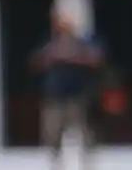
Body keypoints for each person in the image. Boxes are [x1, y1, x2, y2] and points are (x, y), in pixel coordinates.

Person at [31, 10, 105, 169]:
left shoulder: (83, 42)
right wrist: (54, 55)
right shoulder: (49, 43)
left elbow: (96, 59)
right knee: (52, 136)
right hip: (54, 98)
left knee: (86, 136)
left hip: (77, 98)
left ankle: (89, 165)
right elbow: (37, 63)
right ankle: (55, 165)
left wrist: (73, 56)